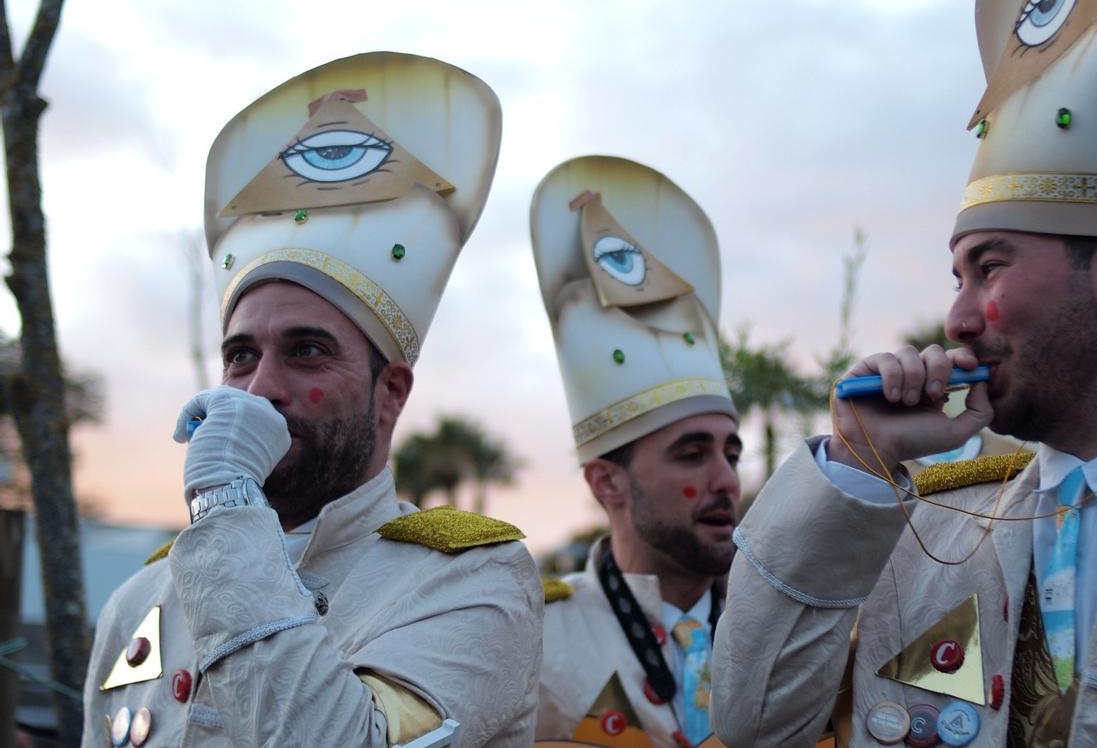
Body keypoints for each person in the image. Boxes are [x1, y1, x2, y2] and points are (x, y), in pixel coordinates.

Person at [711, 0, 1097, 746]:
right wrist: (857, 471)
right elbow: (751, 728)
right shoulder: (931, 526)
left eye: (992, 266)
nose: (958, 317)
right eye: (958, 276)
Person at [83, 53, 543, 747]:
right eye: (241, 356)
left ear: (390, 393)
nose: (261, 388)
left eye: (306, 351)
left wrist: (227, 503)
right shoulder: (139, 602)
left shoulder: (474, 579)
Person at [529, 156, 741, 747]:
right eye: (692, 454)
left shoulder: (782, 631)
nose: (726, 479)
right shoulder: (534, 642)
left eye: (731, 452)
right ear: (606, 483)